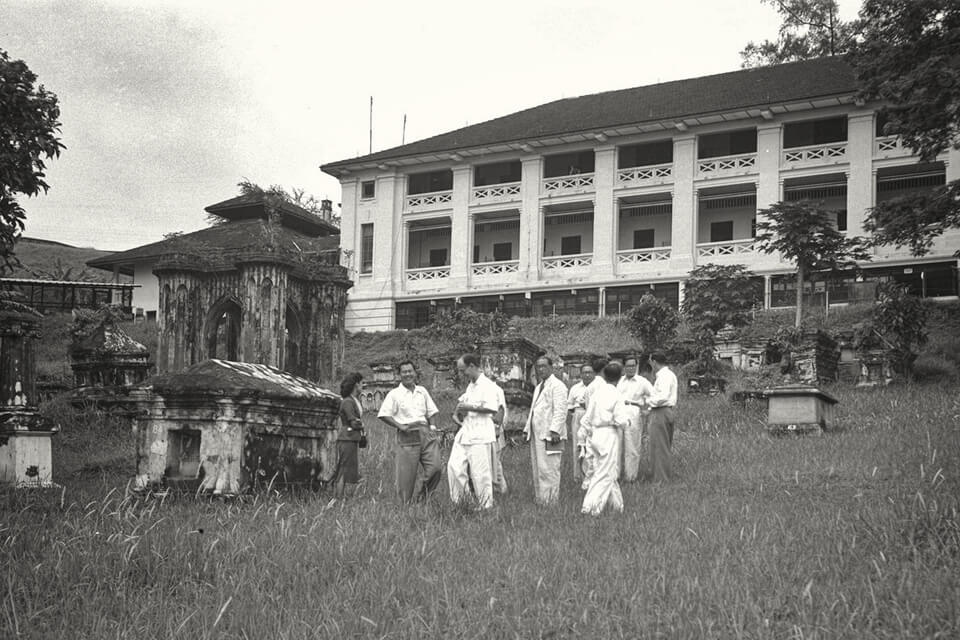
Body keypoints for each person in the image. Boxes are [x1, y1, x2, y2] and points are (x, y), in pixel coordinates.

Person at [377, 360, 441, 503]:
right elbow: (383, 414)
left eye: (410, 371)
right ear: (399, 375)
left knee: (436, 468)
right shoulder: (395, 394)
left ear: (415, 372)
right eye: (404, 372)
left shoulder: (422, 391)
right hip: (407, 433)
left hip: (425, 432)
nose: (408, 374)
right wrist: (400, 426)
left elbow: (432, 411)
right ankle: (404, 508)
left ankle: (422, 498)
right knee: (406, 476)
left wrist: (433, 428)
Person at [449, 353, 500, 510]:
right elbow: (463, 408)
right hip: (466, 433)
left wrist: (469, 407)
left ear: (472, 366)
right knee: (454, 467)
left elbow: (492, 408)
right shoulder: (470, 386)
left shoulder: (488, 386)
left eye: (463, 370)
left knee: (480, 473)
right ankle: (463, 502)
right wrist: (459, 412)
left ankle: (486, 506)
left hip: (480, 434)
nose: (461, 374)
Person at [580, 361, 631, 516]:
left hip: (595, 434)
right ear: (620, 377)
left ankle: (618, 506)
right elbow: (621, 419)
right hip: (609, 434)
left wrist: (583, 436)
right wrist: (627, 422)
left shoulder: (597, 393)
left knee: (606, 471)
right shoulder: (616, 394)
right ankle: (590, 507)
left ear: (604, 375)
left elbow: (586, 418)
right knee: (603, 473)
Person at [523, 355, 568, 505]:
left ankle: (551, 501)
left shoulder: (558, 386)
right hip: (537, 433)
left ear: (551, 367)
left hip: (551, 435)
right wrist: (527, 428)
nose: (541, 369)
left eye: (544, 366)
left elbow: (561, 410)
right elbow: (534, 410)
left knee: (550, 468)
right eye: (538, 366)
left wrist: (555, 430)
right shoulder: (538, 386)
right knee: (539, 468)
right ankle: (541, 499)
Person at [617, 355, 654, 483]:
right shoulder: (619, 381)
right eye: (628, 366)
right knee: (616, 445)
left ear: (637, 366)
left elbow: (653, 395)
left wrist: (647, 409)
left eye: (633, 365)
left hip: (634, 410)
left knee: (632, 446)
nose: (631, 368)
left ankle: (630, 476)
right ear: (624, 367)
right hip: (619, 411)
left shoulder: (642, 382)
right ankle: (615, 476)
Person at [647, 351, 679, 483]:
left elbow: (663, 396)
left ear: (654, 362)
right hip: (664, 411)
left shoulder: (664, 376)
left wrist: (649, 401)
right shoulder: (666, 375)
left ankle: (661, 479)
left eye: (651, 362)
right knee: (661, 445)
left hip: (661, 411)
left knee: (660, 447)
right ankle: (660, 476)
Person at [576, 358, 607, 490]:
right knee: (597, 457)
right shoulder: (602, 386)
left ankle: (589, 482)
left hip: (592, 424)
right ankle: (592, 483)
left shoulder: (592, 387)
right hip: (600, 425)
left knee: (591, 455)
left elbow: (588, 408)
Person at [334, 372, 365, 500]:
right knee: (343, 467)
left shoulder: (353, 400)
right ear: (356, 384)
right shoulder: (347, 402)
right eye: (361, 383)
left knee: (347, 467)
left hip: (351, 438)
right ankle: (338, 498)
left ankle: (341, 496)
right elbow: (353, 421)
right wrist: (361, 425)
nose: (363, 386)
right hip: (347, 437)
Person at [566, 363, 595, 483]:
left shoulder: (597, 387)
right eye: (585, 372)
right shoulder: (575, 388)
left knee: (592, 446)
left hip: (593, 417)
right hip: (579, 414)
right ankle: (578, 476)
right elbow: (569, 404)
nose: (587, 375)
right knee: (578, 446)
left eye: (589, 372)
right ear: (581, 374)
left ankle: (592, 475)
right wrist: (577, 407)